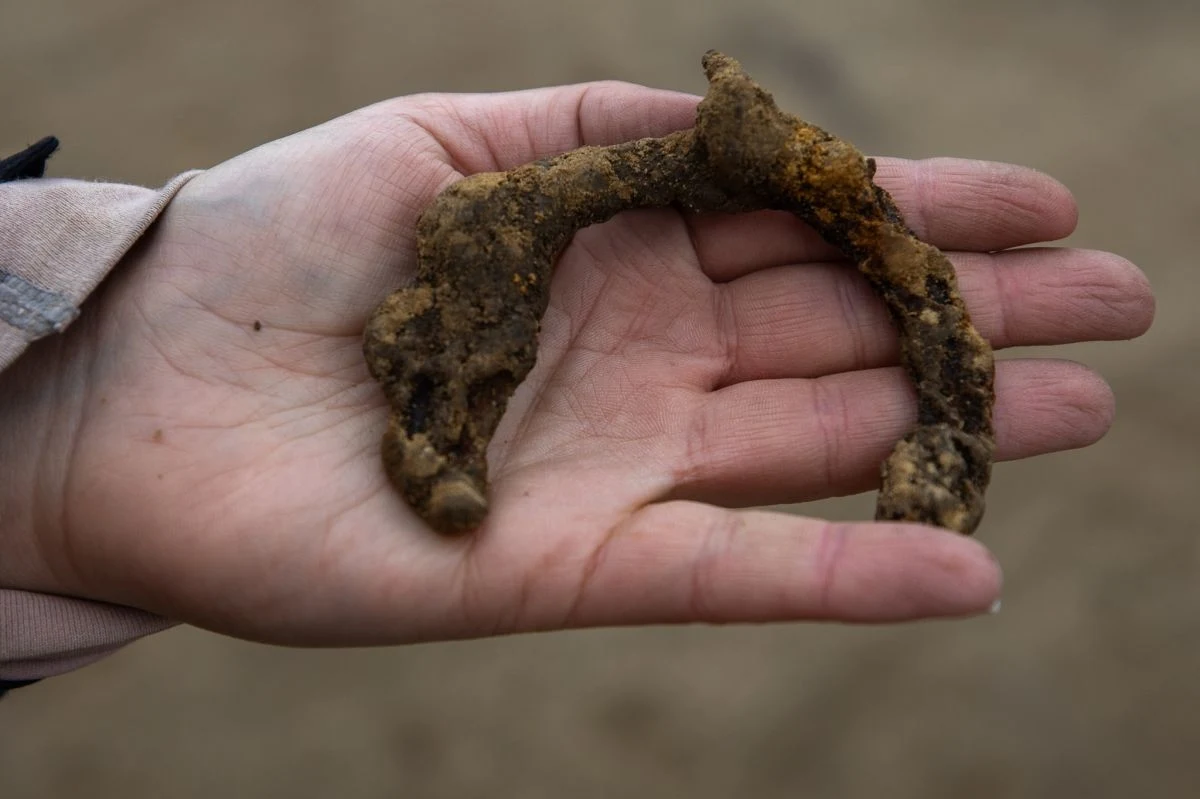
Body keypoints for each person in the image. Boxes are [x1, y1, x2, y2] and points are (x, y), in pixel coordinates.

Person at [0, 79, 1155, 694]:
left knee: (495, 252)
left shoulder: (508, 219)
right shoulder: (490, 233)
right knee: (486, 272)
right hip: (521, 246)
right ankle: (444, 439)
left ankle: (446, 438)